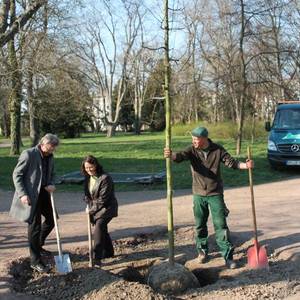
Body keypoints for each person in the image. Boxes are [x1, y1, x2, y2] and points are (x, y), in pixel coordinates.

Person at [164, 126, 254, 269]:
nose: (194, 142)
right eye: (192, 139)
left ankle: (228, 257)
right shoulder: (191, 150)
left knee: (221, 226)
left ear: (205, 139)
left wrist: (246, 165)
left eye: (196, 139)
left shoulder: (218, 150)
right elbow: (180, 157)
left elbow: (232, 162)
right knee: (200, 225)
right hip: (198, 194)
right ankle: (202, 252)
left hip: (215, 193)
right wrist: (171, 155)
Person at [9, 133, 60, 273]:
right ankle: (35, 261)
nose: (52, 151)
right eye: (50, 148)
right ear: (43, 144)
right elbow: (17, 175)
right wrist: (23, 194)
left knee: (52, 219)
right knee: (35, 226)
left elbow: (53, 173)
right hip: (31, 196)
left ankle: (39, 245)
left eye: (54, 149)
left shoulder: (50, 156)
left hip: (44, 193)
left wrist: (52, 183)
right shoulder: (29, 154)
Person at [81, 155, 118, 267]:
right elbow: (87, 194)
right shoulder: (88, 177)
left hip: (107, 208)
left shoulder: (105, 178)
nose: (89, 170)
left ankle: (96, 258)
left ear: (96, 165)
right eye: (86, 168)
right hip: (95, 208)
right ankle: (109, 252)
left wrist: (91, 210)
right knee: (102, 229)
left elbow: (103, 199)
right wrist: (86, 199)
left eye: (91, 167)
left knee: (99, 227)